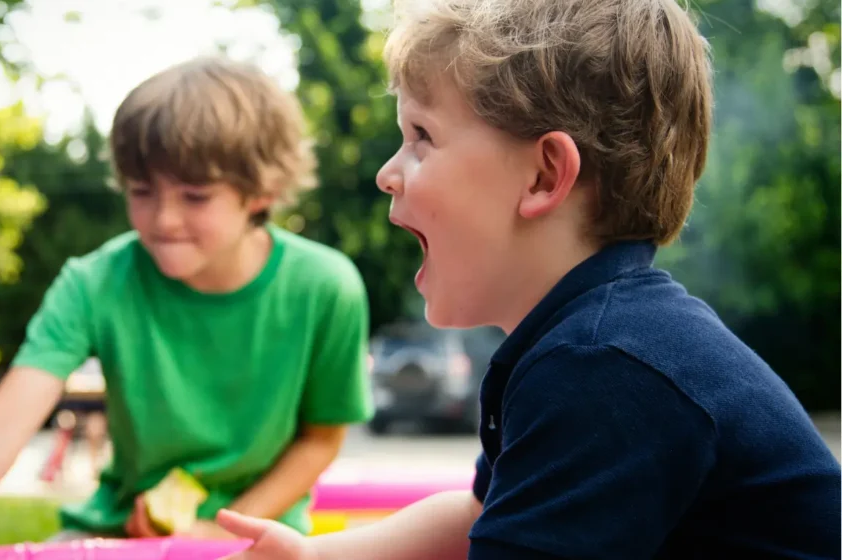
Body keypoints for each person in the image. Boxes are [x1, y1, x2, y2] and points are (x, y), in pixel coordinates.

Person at [213, 0, 842, 559]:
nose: (386, 172)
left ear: (543, 177)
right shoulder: (589, 340)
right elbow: (478, 517)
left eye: (421, 137)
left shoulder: (605, 366)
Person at [0, 55, 374, 559]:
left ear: (261, 192)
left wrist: (225, 529)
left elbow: (321, 438)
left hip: (261, 535)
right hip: (118, 532)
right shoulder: (94, 282)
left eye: (196, 196)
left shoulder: (326, 287)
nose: (163, 218)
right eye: (142, 191)